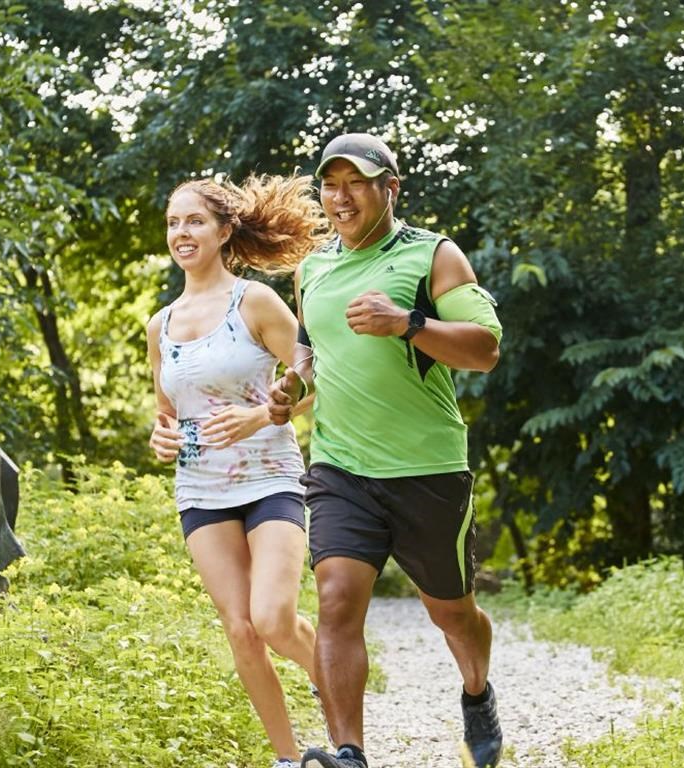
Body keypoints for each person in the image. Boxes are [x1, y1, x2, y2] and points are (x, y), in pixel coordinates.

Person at [267, 133, 505, 768]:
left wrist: (409, 322)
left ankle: (477, 692)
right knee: (338, 597)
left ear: (389, 189)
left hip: (427, 468)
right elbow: (309, 351)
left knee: (452, 615)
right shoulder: (311, 268)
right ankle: (350, 754)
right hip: (340, 466)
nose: (340, 197)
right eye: (330, 184)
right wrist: (292, 385)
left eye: (356, 183)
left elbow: (483, 350)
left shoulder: (434, 256)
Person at [147, 174, 328, 768]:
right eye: (174, 222)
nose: (181, 233)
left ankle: (338, 688)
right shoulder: (161, 325)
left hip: (270, 475)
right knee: (241, 630)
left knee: (272, 617)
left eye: (194, 221)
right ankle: (287, 759)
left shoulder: (253, 301)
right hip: (200, 487)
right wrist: (161, 436)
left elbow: (312, 375)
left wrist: (262, 414)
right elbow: (167, 412)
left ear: (225, 232)